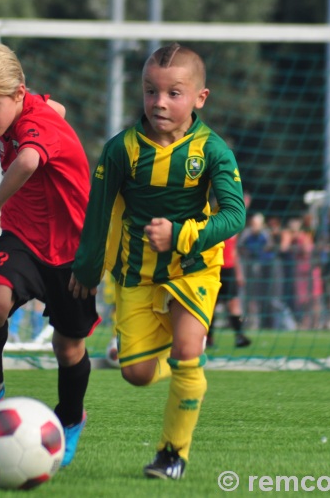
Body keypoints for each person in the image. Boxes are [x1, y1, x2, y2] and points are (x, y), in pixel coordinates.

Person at [70, 43, 245, 480]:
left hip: (193, 268)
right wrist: (88, 270)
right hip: (136, 275)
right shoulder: (120, 150)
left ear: (200, 98)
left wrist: (183, 236)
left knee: (189, 352)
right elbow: (99, 212)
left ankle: (172, 454)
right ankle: (171, 357)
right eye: (151, 91)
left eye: (174, 93)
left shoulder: (213, 151)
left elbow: (234, 214)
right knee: (136, 374)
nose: (160, 102)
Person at [0, 39, 99, 469]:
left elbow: (29, 161)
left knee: (68, 347)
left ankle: (69, 419)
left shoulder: (36, 123)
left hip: (74, 250)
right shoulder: (31, 106)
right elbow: (59, 107)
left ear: (18, 93)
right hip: (23, 238)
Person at [208, 232, 251, 348]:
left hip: (229, 269)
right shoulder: (212, 221)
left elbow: (234, 252)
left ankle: (239, 336)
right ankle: (208, 338)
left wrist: (238, 272)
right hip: (214, 268)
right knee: (211, 305)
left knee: (234, 303)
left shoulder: (234, 227)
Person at [240, 213, 276, 329]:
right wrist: (249, 252)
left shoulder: (265, 233)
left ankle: (263, 321)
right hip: (249, 270)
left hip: (263, 270)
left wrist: (260, 252)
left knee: (263, 296)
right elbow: (240, 246)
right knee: (249, 296)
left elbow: (270, 245)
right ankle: (250, 322)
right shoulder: (247, 233)